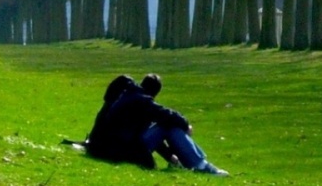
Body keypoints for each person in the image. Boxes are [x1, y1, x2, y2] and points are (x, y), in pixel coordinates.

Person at [86, 72, 228, 175]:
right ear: (155, 93)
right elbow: (168, 115)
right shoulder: (143, 102)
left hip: (105, 147)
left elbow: (140, 134)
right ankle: (200, 165)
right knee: (169, 124)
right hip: (120, 150)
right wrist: (186, 125)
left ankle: (189, 162)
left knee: (165, 123)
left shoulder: (127, 94)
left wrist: (168, 156)